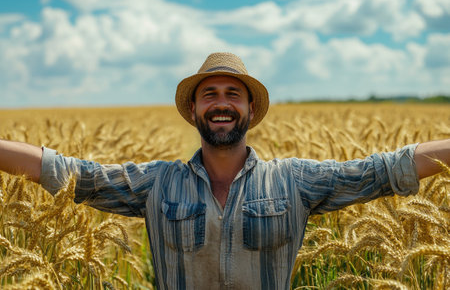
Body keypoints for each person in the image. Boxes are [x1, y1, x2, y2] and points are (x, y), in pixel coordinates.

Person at [0, 52, 449, 290]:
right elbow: (70, 174)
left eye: (233, 93)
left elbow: (384, 171)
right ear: (194, 109)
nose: (221, 103)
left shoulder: (293, 181)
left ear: (250, 109)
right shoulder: (156, 184)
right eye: (209, 93)